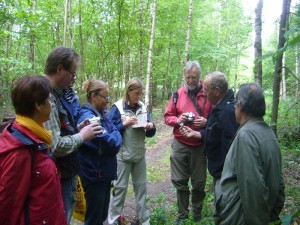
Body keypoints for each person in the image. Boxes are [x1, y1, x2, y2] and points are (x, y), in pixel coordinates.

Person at [44, 46, 102, 224]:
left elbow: (57, 130)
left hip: (65, 173)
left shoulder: (58, 94)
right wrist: (82, 136)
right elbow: (55, 146)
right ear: (59, 68)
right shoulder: (46, 96)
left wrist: (77, 128)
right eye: (72, 73)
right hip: (57, 176)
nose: (74, 79)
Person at [0, 75, 66, 225]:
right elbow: (7, 205)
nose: (52, 105)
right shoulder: (20, 151)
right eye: (49, 100)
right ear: (38, 105)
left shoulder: (36, 136)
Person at [215, 83, 285, 225]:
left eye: (235, 104)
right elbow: (280, 183)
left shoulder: (246, 136)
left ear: (240, 105)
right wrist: (273, 215)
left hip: (240, 218)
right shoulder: (269, 133)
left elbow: (252, 187)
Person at [179, 71, 239, 205]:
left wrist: (226, 173)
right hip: (220, 173)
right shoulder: (218, 107)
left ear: (217, 91)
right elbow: (215, 134)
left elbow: (232, 147)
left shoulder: (228, 112)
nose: (204, 94)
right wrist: (198, 134)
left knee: (223, 212)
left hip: (226, 176)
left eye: (206, 90)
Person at [164, 61, 212, 224]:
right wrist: (178, 120)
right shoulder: (178, 94)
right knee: (180, 181)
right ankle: (182, 214)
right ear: (184, 76)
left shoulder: (208, 93)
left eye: (194, 77)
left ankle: (197, 212)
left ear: (200, 77)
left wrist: (206, 123)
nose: (190, 80)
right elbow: (167, 116)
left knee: (199, 182)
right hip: (180, 143)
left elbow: (217, 118)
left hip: (199, 145)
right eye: (188, 77)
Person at [108, 77, 156, 225]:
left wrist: (150, 126)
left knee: (141, 190)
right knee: (119, 190)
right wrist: (124, 124)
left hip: (139, 156)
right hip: (123, 157)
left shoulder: (142, 106)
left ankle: (144, 221)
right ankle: (113, 221)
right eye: (136, 93)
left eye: (140, 93)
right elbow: (109, 130)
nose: (138, 96)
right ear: (128, 92)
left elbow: (151, 131)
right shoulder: (117, 108)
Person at [76, 79, 122, 225]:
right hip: (94, 174)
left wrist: (115, 135)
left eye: (108, 97)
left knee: (101, 216)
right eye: (105, 97)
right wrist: (115, 136)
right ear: (93, 96)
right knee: (93, 219)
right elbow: (110, 142)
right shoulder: (87, 117)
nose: (108, 101)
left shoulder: (103, 115)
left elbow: (115, 132)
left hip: (103, 174)